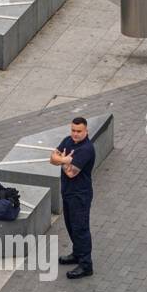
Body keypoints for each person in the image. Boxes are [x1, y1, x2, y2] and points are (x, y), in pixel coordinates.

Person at [50, 116, 97, 279]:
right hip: (68, 192)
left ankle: (86, 265)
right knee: (70, 226)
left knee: (80, 228)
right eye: (73, 130)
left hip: (80, 195)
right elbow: (52, 158)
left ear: (86, 131)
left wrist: (60, 161)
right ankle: (77, 254)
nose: (75, 134)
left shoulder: (86, 149)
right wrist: (65, 159)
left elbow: (70, 173)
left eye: (79, 131)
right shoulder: (68, 141)